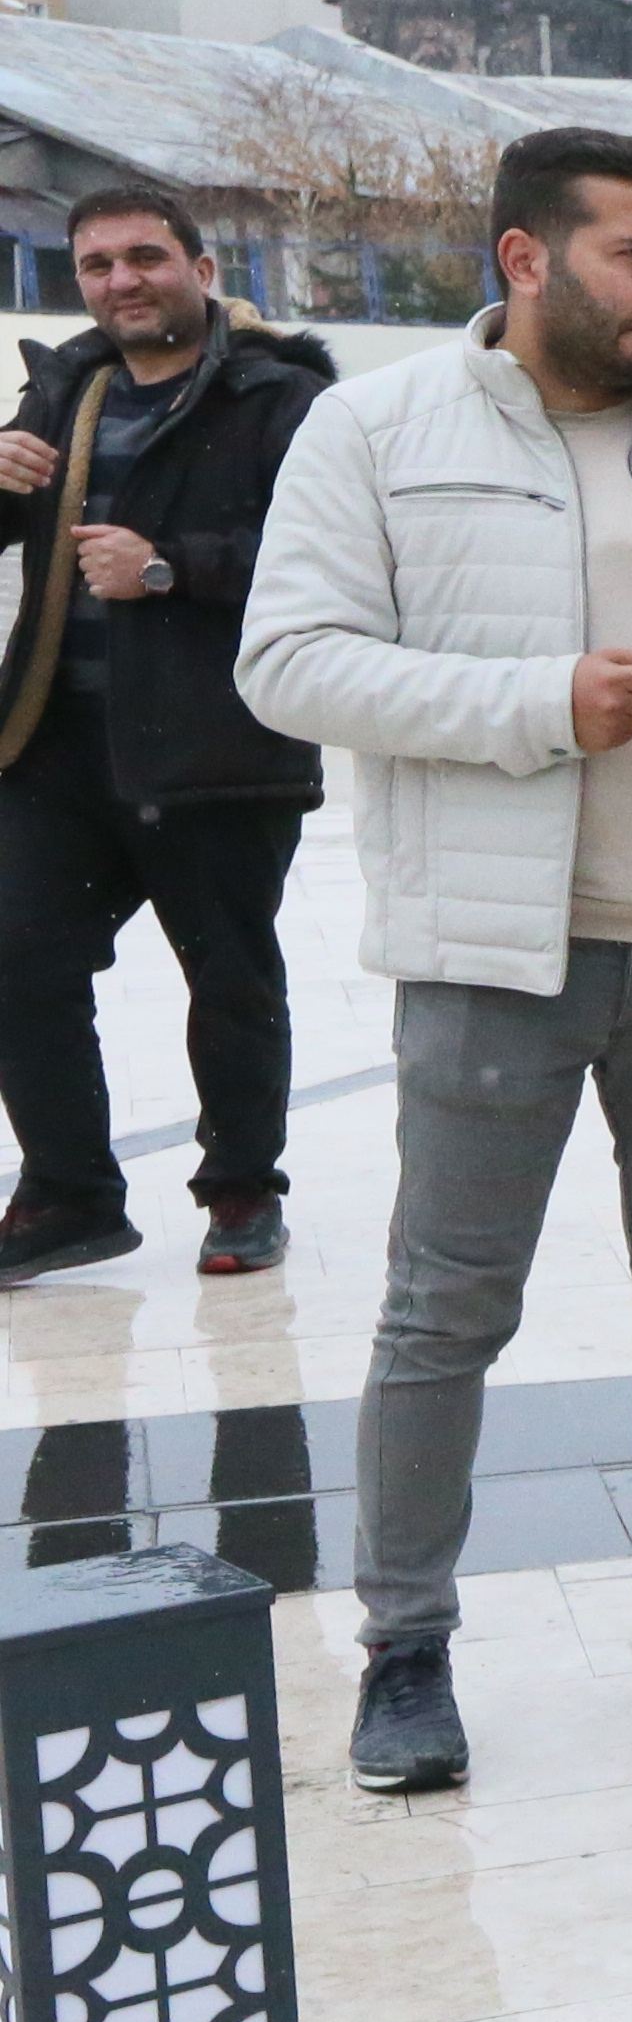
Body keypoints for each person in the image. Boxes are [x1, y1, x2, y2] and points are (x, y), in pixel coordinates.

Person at [238, 127, 632, 1792]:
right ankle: (405, 1645)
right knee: (444, 1307)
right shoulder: (373, 429)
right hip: (493, 955)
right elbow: (290, 664)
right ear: (526, 258)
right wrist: (539, 704)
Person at [0, 186, 334, 1286]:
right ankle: (69, 1193)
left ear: (199, 265)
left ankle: (241, 1188)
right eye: (97, 266)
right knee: (16, 957)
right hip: (57, 744)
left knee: (228, 976)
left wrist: (169, 567)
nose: (122, 282)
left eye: (146, 257)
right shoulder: (63, 390)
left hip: (217, 743)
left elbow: (328, 556)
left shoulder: (276, 398)